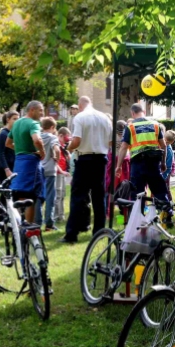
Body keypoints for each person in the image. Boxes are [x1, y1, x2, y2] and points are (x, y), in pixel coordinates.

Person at [61, 96, 112, 244]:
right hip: (100, 160)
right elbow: (110, 142)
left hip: (84, 159)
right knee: (99, 197)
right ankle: (99, 232)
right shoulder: (105, 118)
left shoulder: (80, 117)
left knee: (78, 196)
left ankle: (72, 233)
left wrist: (68, 148)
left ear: (80, 105)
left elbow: (76, 140)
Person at [116, 104, 169, 204]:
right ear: (144, 112)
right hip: (153, 163)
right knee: (160, 192)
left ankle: (138, 217)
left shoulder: (130, 127)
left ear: (132, 113)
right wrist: (163, 163)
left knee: (136, 195)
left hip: (138, 164)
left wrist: (118, 166)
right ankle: (167, 214)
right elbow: (163, 145)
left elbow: (123, 147)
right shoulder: (155, 125)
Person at [6, 101, 46, 224]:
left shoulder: (17, 123)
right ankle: (29, 229)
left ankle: (18, 228)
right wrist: (42, 152)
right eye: (40, 110)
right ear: (32, 110)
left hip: (19, 162)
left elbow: (7, 143)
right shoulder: (33, 123)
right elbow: (37, 140)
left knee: (20, 195)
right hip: (31, 163)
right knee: (31, 197)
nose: (42, 113)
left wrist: (19, 150)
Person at [35, 117, 61, 231]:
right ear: (52, 127)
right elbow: (57, 150)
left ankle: (37, 221)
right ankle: (49, 223)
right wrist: (57, 158)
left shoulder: (37, 137)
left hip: (38, 170)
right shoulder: (52, 137)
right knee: (50, 197)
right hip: (50, 170)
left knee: (38, 197)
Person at [55, 126, 72, 223]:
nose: (67, 139)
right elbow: (55, 160)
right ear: (61, 135)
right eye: (66, 137)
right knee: (58, 195)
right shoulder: (56, 144)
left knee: (62, 195)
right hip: (58, 172)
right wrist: (61, 171)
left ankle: (61, 215)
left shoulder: (62, 146)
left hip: (63, 172)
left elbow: (67, 157)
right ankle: (57, 216)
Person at [0, 111, 19, 183]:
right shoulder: (3, 134)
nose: (16, 121)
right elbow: (0, 153)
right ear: (8, 119)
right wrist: (6, 169)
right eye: (14, 119)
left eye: (17, 119)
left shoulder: (14, 133)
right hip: (5, 168)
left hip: (14, 166)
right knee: (5, 193)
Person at [163, 130, 175, 198]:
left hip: (165, 173)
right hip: (163, 172)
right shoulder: (164, 147)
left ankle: (169, 203)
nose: (165, 142)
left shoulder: (169, 150)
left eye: (167, 142)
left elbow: (168, 166)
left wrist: (164, 175)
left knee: (166, 189)